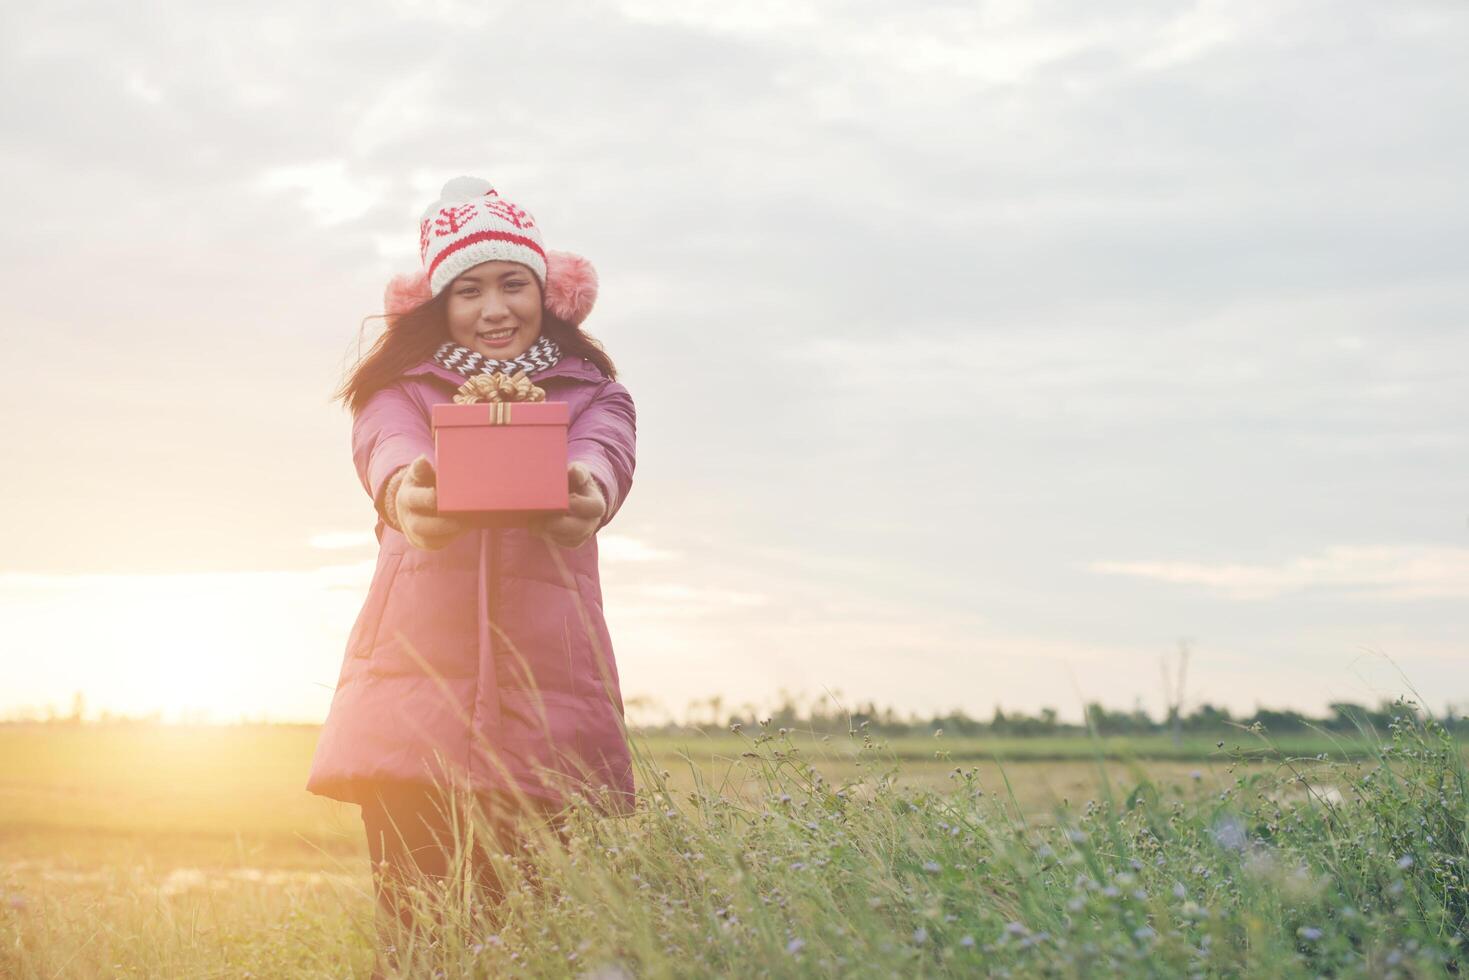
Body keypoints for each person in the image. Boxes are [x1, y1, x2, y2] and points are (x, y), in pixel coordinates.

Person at [304, 176, 637, 972]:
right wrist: (410, 489)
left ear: (547, 294)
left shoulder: (595, 392)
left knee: (522, 938)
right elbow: (386, 450)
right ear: (437, 308)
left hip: (541, 707)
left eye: (512, 284)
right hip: (410, 706)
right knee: (417, 940)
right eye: (468, 290)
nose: (494, 308)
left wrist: (585, 491)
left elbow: (604, 455)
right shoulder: (399, 392)